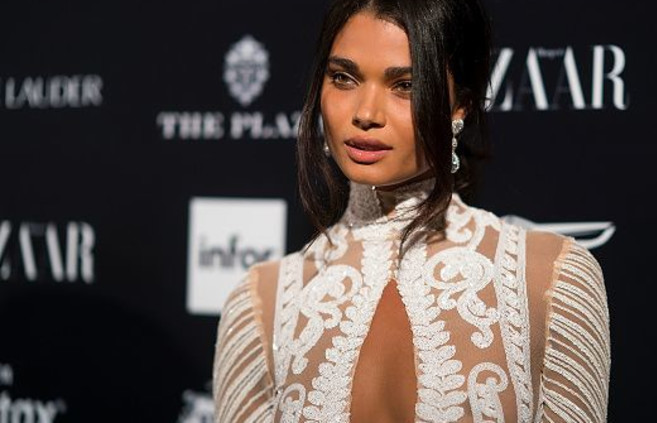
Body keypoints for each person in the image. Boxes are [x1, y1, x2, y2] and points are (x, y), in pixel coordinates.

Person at [213, 0, 611, 421]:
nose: (366, 114)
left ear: (461, 105)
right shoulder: (261, 305)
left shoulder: (550, 281)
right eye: (343, 77)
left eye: (405, 85)